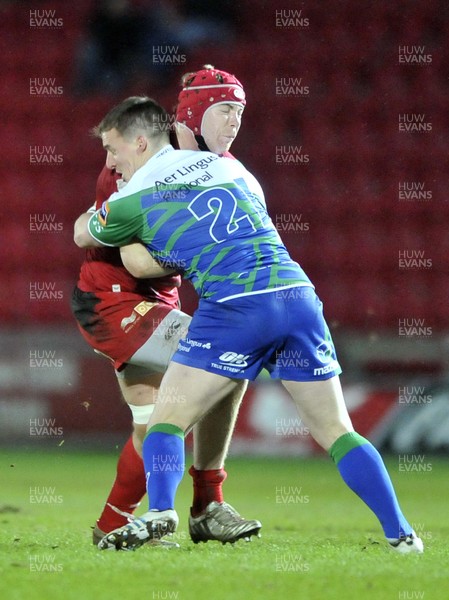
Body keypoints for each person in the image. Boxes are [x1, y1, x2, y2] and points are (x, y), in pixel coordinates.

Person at [74, 96, 423, 555]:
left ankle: (161, 511)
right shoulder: (232, 169)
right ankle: (402, 535)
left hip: (235, 307)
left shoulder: (133, 197)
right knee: (338, 430)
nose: (110, 161)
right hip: (298, 296)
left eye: (113, 149)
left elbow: (84, 235)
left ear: (140, 143)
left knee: (168, 420)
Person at [71, 68, 261, 547]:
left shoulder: (218, 165)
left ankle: (114, 524)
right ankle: (206, 504)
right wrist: (204, 247)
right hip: (116, 301)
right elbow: (137, 259)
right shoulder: (137, 171)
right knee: (224, 363)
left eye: (239, 112)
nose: (235, 123)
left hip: (155, 301)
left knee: (152, 421)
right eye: (226, 111)